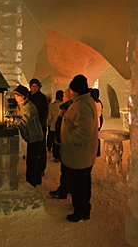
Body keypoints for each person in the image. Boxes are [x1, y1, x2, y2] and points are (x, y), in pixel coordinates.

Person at [60, 75, 98, 222]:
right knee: (81, 181)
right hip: (81, 152)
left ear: (75, 90)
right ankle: (81, 206)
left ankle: (82, 211)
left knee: (80, 183)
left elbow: (83, 132)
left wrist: (68, 140)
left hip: (79, 152)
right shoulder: (82, 101)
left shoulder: (82, 105)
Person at [11, 85, 44, 187]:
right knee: (32, 159)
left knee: (32, 160)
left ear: (23, 97)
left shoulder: (30, 108)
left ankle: (32, 181)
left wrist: (11, 121)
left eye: (17, 95)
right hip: (30, 136)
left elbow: (23, 122)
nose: (15, 97)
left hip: (35, 136)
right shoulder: (20, 105)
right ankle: (35, 178)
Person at [49, 88, 73, 199]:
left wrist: (59, 140)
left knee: (67, 170)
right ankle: (68, 188)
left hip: (67, 144)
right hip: (68, 144)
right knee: (68, 169)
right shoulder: (71, 109)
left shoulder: (67, 110)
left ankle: (64, 190)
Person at [28, 78, 49, 176]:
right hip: (30, 127)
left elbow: (44, 113)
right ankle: (32, 168)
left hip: (39, 126)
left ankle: (40, 168)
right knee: (31, 148)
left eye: (36, 86)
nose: (34, 88)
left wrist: (40, 124)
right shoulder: (28, 96)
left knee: (40, 148)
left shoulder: (42, 98)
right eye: (33, 86)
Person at [47, 90, 64, 161]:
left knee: (55, 141)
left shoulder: (51, 106)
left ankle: (56, 156)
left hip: (53, 125)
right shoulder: (64, 105)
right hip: (62, 126)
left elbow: (49, 117)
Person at [90, 88, 103, 156]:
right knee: (97, 138)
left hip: (93, 122)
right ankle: (97, 152)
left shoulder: (92, 103)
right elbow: (100, 114)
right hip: (98, 122)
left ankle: (93, 152)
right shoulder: (99, 103)